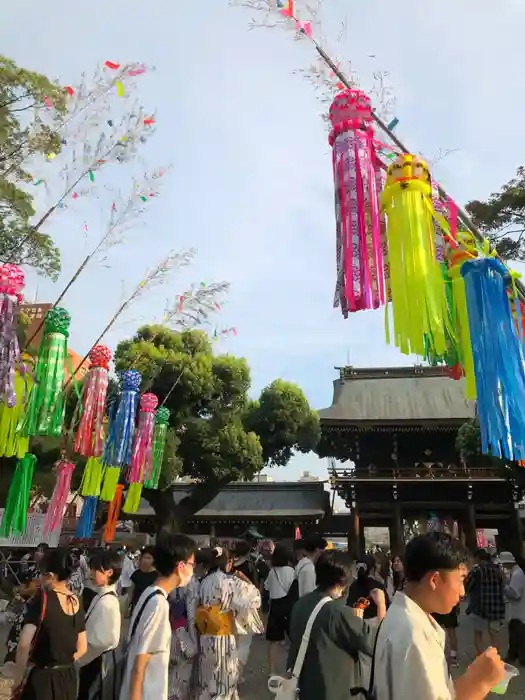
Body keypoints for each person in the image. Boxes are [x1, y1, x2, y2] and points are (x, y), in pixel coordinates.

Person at [374, 532, 505, 700]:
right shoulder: (413, 636)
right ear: (434, 580)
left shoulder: (406, 618)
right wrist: (480, 683)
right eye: (460, 580)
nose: (462, 592)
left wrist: (471, 678)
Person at [287, 550, 375, 700]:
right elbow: (373, 644)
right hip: (335, 691)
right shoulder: (339, 613)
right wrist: (380, 607)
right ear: (345, 578)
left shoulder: (301, 604)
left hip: (305, 687)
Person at [119, 533, 196, 700]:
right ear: (180, 566)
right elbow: (141, 662)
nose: (192, 569)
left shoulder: (150, 593)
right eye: (191, 564)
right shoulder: (158, 604)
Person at [13, 548, 87, 700]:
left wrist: (18, 679)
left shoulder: (42, 599)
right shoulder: (77, 600)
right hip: (69, 678)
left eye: (42, 574)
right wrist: (62, 660)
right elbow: (83, 647)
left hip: (43, 680)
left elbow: (23, 645)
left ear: (50, 576)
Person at [196, 545, 261, 700]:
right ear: (227, 562)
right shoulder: (228, 582)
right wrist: (242, 577)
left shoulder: (203, 582)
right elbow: (255, 597)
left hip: (205, 635)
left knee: (208, 680)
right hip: (223, 636)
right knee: (224, 680)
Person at [77, 549, 123, 700]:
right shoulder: (101, 597)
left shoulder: (107, 602)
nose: (90, 573)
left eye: (96, 570)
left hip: (96, 662)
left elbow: (103, 642)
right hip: (92, 660)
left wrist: (78, 661)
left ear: (109, 572)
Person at [465, 549, 505, 655]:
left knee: (478, 634)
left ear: (478, 558)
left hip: (480, 608)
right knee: (494, 634)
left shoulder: (477, 571)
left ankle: (481, 656)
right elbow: (503, 586)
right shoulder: (497, 571)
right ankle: (495, 657)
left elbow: (467, 586)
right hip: (496, 608)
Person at [167, 574, 199, 700]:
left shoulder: (167, 579)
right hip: (184, 632)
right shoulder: (192, 582)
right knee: (183, 672)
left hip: (170, 630)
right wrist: (193, 639)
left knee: (171, 673)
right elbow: (191, 616)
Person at [265, 545, 295, 676]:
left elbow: (267, 587)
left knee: (274, 642)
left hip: (275, 607)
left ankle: (272, 671)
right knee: (295, 640)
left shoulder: (272, 571)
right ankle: (292, 670)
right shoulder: (290, 570)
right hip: (288, 606)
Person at [347, 553, 388, 622]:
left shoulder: (352, 585)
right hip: (376, 622)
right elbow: (387, 606)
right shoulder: (378, 586)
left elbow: (348, 605)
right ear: (372, 569)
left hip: (355, 621)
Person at [503, 551, 525, 665]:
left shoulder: (517, 574)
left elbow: (515, 594)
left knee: (516, 636)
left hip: (518, 612)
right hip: (521, 612)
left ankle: (514, 657)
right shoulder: (519, 572)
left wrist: (505, 587)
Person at [129, 546, 158, 613]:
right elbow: (131, 591)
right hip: (136, 606)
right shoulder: (136, 574)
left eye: (149, 558)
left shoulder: (157, 575)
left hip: (151, 608)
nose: (146, 560)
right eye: (144, 557)